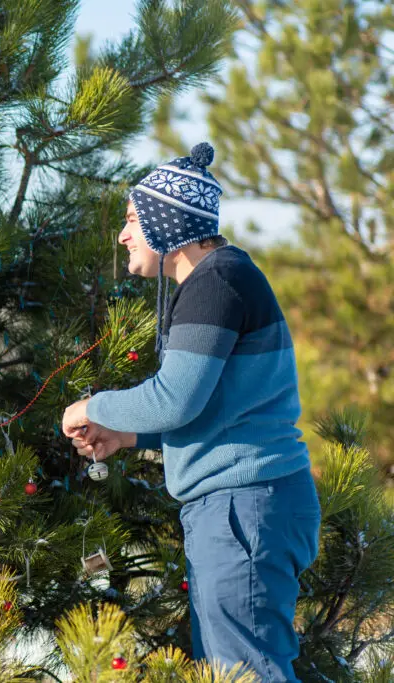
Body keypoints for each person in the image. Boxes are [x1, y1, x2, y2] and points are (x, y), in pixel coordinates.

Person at [61, 144, 320, 681]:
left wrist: (92, 407)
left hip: (242, 508)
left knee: (245, 674)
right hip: (248, 505)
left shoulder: (214, 284)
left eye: (132, 219)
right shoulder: (221, 280)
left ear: (165, 221)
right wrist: (128, 437)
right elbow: (221, 411)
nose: (122, 235)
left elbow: (174, 399)